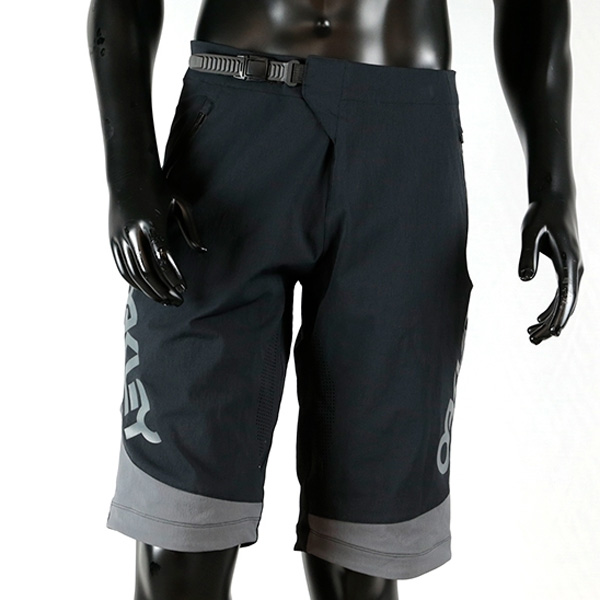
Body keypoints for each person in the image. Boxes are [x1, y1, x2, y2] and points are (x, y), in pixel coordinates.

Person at [88, 1, 584, 599]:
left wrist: (554, 186)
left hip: (404, 146)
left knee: (366, 555)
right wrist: (128, 171)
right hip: (230, 134)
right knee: (176, 537)